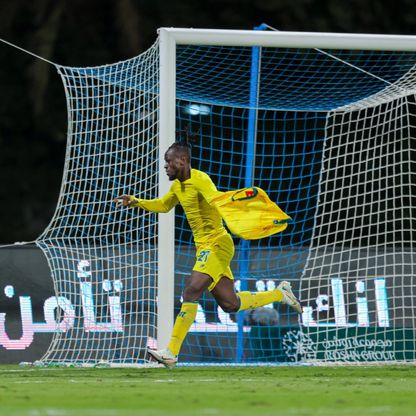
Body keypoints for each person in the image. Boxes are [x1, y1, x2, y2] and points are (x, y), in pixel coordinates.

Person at [115, 135, 301, 368]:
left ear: (182, 161)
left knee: (191, 290)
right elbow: (163, 205)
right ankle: (279, 294)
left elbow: (216, 199)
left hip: (217, 243)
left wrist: (241, 205)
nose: (165, 166)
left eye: (169, 161)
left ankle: (171, 351)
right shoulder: (178, 187)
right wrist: (135, 201)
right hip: (205, 247)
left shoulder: (201, 179)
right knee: (230, 304)